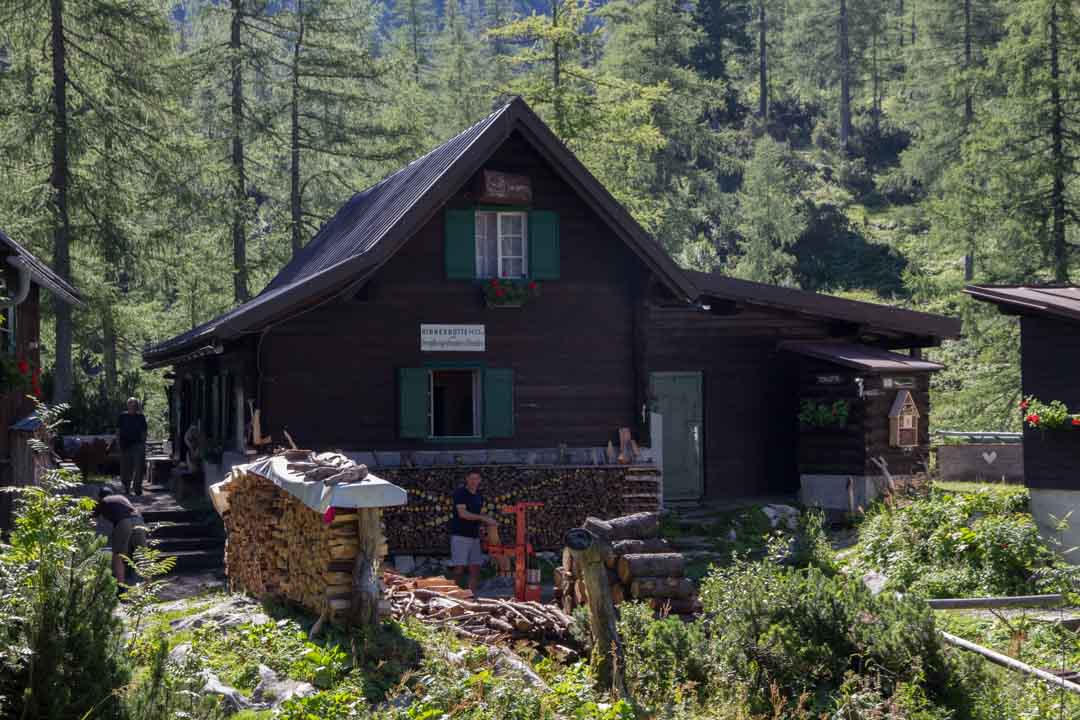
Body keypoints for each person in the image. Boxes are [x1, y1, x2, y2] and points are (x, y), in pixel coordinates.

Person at [449, 470, 497, 595]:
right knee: (459, 567)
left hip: (474, 537)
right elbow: (463, 513)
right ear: (467, 479)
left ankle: (471, 595)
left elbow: (478, 514)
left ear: (480, 480)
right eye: (471, 478)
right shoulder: (460, 493)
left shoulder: (479, 495)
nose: (474, 481)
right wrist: (482, 518)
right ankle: (453, 594)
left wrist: (484, 527)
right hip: (460, 536)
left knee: (475, 568)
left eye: (476, 479)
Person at [92, 486, 147, 587]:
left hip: (124, 522)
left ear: (100, 497)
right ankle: (149, 586)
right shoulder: (121, 498)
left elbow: (91, 520)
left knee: (118, 556)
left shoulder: (103, 501)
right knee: (142, 554)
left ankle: (121, 588)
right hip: (139, 520)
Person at [116, 397, 147, 495]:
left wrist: (143, 444)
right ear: (128, 405)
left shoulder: (141, 417)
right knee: (125, 468)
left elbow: (144, 431)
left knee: (138, 468)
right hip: (125, 445)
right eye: (131, 405)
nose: (133, 407)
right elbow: (118, 431)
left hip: (138, 445)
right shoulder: (122, 416)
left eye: (135, 405)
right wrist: (118, 443)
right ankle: (126, 488)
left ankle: (137, 488)